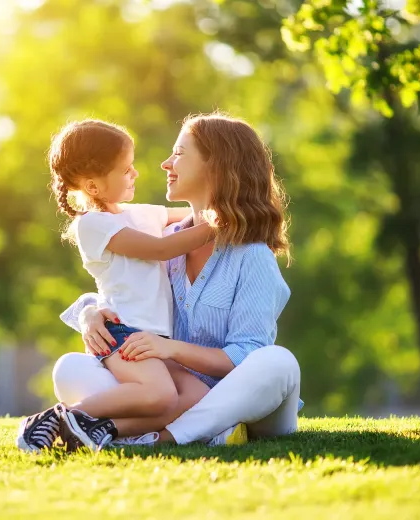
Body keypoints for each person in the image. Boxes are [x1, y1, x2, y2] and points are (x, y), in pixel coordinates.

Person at [50, 113, 303, 449]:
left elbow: (246, 356)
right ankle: (189, 432)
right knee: (70, 368)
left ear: (218, 166)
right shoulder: (164, 240)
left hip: (244, 401)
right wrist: (91, 312)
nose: (165, 163)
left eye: (180, 154)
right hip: (171, 393)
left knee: (278, 363)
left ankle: (156, 437)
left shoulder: (251, 255)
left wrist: (170, 348)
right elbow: (126, 286)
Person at [17, 119, 216, 453]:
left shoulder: (140, 213)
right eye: (125, 170)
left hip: (155, 338)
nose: (135, 174)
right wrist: (219, 224)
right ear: (93, 187)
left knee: (195, 398)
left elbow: (186, 218)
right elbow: (161, 249)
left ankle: (101, 431)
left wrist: (216, 206)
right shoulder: (93, 225)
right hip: (123, 330)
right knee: (161, 395)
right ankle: (63, 418)